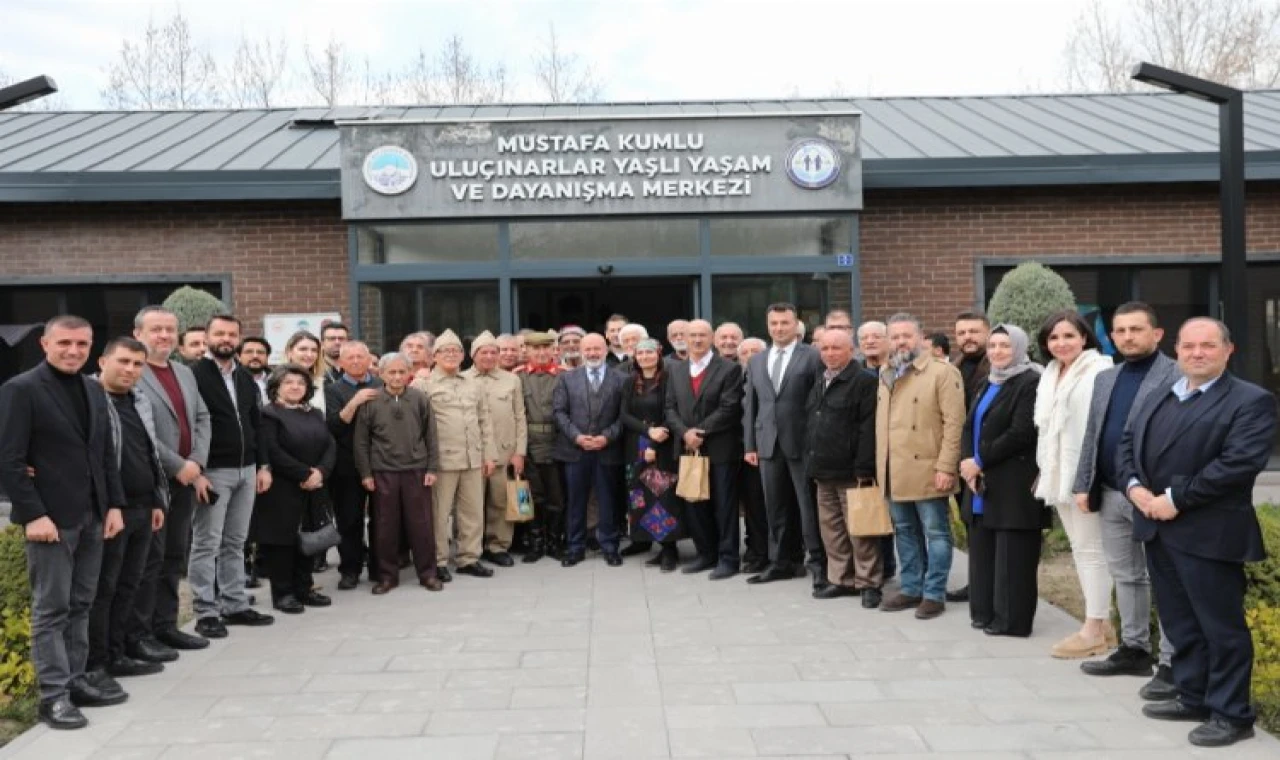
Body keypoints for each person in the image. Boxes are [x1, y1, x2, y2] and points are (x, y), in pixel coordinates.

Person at [1121, 318, 1276, 748]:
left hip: (1210, 533)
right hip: (1157, 527)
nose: (1197, 353)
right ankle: (1193, 695)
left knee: (1220, 629)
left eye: (1208, 345)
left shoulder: (1251, 401)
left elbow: (1238, 464)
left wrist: (1175, 498)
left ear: (1229, 350)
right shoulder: (1160, 395)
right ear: (1177, 350)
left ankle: (1231, 713)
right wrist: (1134, 487)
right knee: (1180, 622)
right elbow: (1127, 444)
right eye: (1188, 346)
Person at [0, 316, 127, 730]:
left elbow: (105, 453)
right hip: (50, 520)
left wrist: (113, 506)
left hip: (93, 515)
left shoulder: (93, 388)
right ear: (45, 343)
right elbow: (10, 460)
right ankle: (52, 697)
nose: (74, 351)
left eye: (83, 344)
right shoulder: (20, 390)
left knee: (81, 604)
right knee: (51, 609)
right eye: (65, 343)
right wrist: (34, 514)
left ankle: (74, 680)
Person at [1073, 302, 1180, 696]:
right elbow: (1094, 432)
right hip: (1110, 491)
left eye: (1136, 329)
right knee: (1126, 576)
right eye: (1120, 331)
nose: (1128, 337)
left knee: (1163, 578)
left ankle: (1171, 660)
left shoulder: (1177, 374)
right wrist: (1084, 481)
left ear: (1157, 334)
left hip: (1152, 495)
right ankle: (1134, 648)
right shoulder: (1107, 378)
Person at [129, 306, 212, 660]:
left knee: (174, 556)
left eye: (169, 329)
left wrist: (196, 462)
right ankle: (140, 633)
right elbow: (139, 429)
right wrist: (179, 465)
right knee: (148, 560)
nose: (164, 336)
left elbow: (202, 417)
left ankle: (166, 626)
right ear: (138, 335)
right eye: (156, 329)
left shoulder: (183, 372)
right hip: (154, 481)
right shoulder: (132, 371)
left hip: (185, 480)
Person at [1034, 309, 1116, 658]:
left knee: (1091, 552)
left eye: (1069, 335)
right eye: (1054, 337)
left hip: (1085, 477)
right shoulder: (1051, 373)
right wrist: (1044, 470)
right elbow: (1048, 431)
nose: (1061, 343)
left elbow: (1099, 430)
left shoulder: (1099, 370)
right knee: (1081, 551)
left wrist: (1088, 482)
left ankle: (1094, 629)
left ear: (1085, 337)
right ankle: (1104, 624)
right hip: (1058, 475)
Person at [88, 338, 169, 686]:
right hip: (111, 511)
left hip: (142, 506)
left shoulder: (139, 400)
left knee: (129, 584)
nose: (130, 370)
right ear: (103, 361)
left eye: (138, 364)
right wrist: (112, 506)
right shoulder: (90, 399)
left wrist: (155, 499)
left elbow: (146, 450)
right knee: (104, 588)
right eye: (123, 361)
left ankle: (120, 652)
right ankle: (97, 662)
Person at [189, 314, 275, 639]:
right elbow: (191, 426)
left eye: (232, 334)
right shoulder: (193, 375)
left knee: (236, 541)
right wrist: (196, 470)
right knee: (206, 543)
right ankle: (206, 611)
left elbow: (258, 425)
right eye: (220, 333)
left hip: (247, 469)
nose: (226, 339)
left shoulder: (245, 378)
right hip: (212, 470)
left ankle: (235, 604)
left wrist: (263, 466)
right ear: (207, 336)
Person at [876, 313, 966, 620]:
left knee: (936, 532)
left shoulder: (942, 372)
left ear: (920, 337)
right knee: (904, 531)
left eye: (907, 335)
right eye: (896, 336)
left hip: (928, 467)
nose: (901, 341)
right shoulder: (886, 372)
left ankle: (934, 593)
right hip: (894, 469)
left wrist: (946, 467)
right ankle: (911, 587)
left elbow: (954, 424)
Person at [958, 325, 1044, 636]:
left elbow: (1022, 432)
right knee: (983, 553)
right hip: (979, 481)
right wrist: (967, 463)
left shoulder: (1030, 381)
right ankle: (984, 612)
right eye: (993, 345)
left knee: (1013, 555)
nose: (997, 351)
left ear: (1020, 348)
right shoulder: (987, 381)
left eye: (1005, 346)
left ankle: (1011, 620)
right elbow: (969, 426)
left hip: (1012, 482)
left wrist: (980, 461)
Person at [742, 303, 826, 589]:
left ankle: (817, 564)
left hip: (802, 444)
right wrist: (750, 444)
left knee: (807, 508)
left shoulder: (813, 357)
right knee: (774, 507)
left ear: (796, 325)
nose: (779, 328)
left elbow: (820, 403)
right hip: (767, 443)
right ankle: (781, 562)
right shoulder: (757, 360)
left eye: (784, 323)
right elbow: (751, 405)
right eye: (774, 323)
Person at [354, 353, 443, 594]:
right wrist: (366, 473)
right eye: (391, 372)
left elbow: (431, 436)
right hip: (383, 472)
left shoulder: (420, 399)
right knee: (385, 527)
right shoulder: (370, 402)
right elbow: (361, 442)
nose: (396, 377)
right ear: (381, 374)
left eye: (401, 372)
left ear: (409, 373)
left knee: (421, 525)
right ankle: (387, 576)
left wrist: (432, 467)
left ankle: (428, 574)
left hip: (416, 470)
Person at [805, 328, 880, 606]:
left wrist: (864, 468)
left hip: (852, 471)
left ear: (852, 350)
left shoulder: (863, 381)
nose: (830, 354)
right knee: (832, 530)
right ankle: (841, 579)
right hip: (823, 469)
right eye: (824, 349)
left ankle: (869, 583)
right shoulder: (821, 379)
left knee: (860, 530)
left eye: (836, 348)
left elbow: (867, 428)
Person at [414, 329, 497, 581]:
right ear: (434, 356)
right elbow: (417, 426)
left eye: (456, 351)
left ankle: (469, 558)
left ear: (463, 356)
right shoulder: (423, 384)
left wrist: (489, 455)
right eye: (445, 351)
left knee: (472, 512)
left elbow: (485, 420)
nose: (451, 355)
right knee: (439, 514)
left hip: (473, 457)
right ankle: (438, 560)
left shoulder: (472, 383)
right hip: (442, 461)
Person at [253, 365, 337, 613]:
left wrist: (320, 472)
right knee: (282, 543)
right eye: (288, 382)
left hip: (314, 486)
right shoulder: (268, 414)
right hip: (282, 487)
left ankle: (304, 588)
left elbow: (329, 445)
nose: (295, 387)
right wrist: (304, 473)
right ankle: (283, 594)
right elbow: (273, 450)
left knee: (309, 539)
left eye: (300, 383)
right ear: (276, 387)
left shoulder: (315, 413)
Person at [666, 320, 744, 580]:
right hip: (688, 448)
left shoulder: (729, 369)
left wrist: (700, 431)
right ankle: (705, 554)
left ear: (712, 338)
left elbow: (730, 407)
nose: (697, 340)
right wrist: (685, 433)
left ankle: (728, 558)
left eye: (702, 335)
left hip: (720, 448)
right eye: (692, 336)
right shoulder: (675, 370)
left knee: (724, 506)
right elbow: (669, 408)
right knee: (695, 504)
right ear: (684, 340)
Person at [553, 333, 627, 567]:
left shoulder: (622, 379)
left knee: (608, 501)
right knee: (576, 501)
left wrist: (607, 437)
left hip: (608, 450)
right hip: (576, 450)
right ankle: (575, 547)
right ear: (581, 351)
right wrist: (577, 436)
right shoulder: (567, 379)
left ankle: (610, 546)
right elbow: (559, 412)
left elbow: (625, 416)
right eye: (588, 349)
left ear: (606, 350)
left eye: (597, 349)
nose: (593, 353)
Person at [620, 338, 683, 572]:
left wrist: (654, 443)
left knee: (663, 498)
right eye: (640, 353)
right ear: (635, 357)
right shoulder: (629, 382)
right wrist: (648, 431)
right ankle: (646, 541)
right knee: (639, 497)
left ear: (658, 355)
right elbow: (624, 415)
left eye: (650, 352)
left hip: (662, 447)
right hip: (636, 446)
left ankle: (669, 549)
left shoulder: (668, 380)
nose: (645, 357)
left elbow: (672, 412)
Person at [465, 330, 528, 568]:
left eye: (494, 352)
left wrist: (519, 452)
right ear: (474, 355)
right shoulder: (462, 379)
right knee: (471, 504)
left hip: (505, 451)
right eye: (484, 352)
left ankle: (498, 546)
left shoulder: (511, 380)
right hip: (473, 455)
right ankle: (472, 547)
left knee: (500, 502)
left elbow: (520, 417)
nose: (490, 357)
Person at [324, 341, 382, 590]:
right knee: (349, 520)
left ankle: (380, 568)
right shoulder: (333, 389)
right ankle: (350, 569)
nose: (356, 361)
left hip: (380, 461)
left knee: (381, 518)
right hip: (346, 464)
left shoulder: (381, 385)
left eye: (361, 357)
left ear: (370, 360)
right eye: (351, 358)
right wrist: (355, 401)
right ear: (341, 362)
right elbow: (334, 426)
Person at [517, 331, 567, 562]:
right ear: (526, 351)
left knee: (557, 496)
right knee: (531, 496)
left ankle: (555, 541)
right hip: (529, 443)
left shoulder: (565, 376)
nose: (540, 353)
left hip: (557, 442)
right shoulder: (518, 378)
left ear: (553, 350)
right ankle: (535, 542)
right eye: (535, 349)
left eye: (545, 348)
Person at [736, 337, 769, 574]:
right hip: (740, 451)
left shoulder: (768, 376)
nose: (749, 355)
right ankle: (755, 549)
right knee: (752, 505)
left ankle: (769, 551)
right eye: (745, 352)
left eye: (755, 351)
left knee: (767, 504)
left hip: (764, 448)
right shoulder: (735, 377)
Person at [285, 330, 328, 413]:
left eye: (314, 350)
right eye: (303, 349)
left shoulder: (321, 382)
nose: (309, 354)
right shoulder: (276, 380)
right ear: (289, 352)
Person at [237, 337, 271, 406]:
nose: (255, 356)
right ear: (238, 357)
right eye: (249, 352)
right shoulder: (230, 380)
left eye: (260, 352)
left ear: (267, 357)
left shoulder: (277, 380)